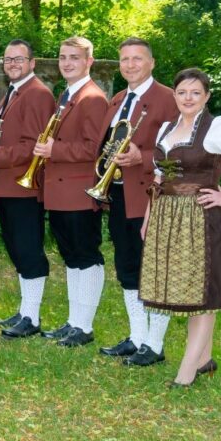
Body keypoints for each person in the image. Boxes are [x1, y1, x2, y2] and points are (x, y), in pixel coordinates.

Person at [140, 68, 221, 387]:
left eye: (196, 92)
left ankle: (186, 373)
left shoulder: (217, 127)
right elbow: (159, 177)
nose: (188, 98)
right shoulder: (166, 128)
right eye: (182, 92)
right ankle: (204, 359)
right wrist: (149, 217)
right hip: (169, 218)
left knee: (204, 294)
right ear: (174, 95)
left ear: (207, 96)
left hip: (204, 219)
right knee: (191, 290)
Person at [96, 38, 178, 367]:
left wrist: (141, 158)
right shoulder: (118, 99)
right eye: (125, 60)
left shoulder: (168, 99)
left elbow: (180, 151)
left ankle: (155, 345)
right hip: (118, 194)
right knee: (127, 267)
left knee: (153, 270)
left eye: (137, 59)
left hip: (150, 196)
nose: (130, 65)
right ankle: (137, 337)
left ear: (152, 63)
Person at [0, 40, 56, 338]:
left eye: (19, 59)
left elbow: (34, 145)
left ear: (32, 63)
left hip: (23, 185)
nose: (12, 64)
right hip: (7, 183)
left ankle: (32, 318)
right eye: (8, 59)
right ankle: (25, 310)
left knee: (28, 249)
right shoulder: (15, 91)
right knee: (16, 248)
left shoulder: (37, 94)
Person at [34, 36, 108, 347]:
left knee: (86, 256)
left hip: (79, 191)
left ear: (89, 61)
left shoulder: (93, 98)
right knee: (71, 257)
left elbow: (94, 148)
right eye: (63, 57)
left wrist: (55, 149)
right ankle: (74, 321)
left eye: (74, 58)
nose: (67, 63)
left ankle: (84, 327)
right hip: (60, 192)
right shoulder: (67, 94)